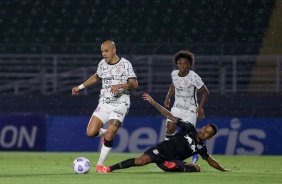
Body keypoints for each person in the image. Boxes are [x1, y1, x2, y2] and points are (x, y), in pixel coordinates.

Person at [97, 93, 231, 173]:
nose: (204, 132)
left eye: (207, 133)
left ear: (210, 137)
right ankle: (109, 168)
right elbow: (169, 115)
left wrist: (223, 170)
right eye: (205, 129)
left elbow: (211, 161)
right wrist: (154, 102)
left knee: (197, 168)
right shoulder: (189, 128)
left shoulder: (202, 148)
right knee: (140, 161)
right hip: (161, 150)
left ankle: (171, 165)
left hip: (172, 161)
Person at [72, 40, 138, 172]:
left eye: (106, 51)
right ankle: (106, 134)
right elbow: (96, 77)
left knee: (111, 132)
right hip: (104, 103)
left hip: (121, 103)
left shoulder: (125, 64)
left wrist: (120, 85)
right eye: (102, 51)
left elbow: (135, 84)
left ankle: (100, 165)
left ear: (114, 50)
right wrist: (80, 87)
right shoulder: (102, 64)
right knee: (90, 133)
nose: (104, 54)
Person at [164, 50, 209, 163]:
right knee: (170, 127)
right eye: (180, 63)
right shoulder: (174, 74)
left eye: (185, 63)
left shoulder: (193, 77)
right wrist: (168, 97)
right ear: (177, 64)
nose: (182, 65)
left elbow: (205, 91)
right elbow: (174, 85)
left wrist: (200, 107)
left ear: (189, 65)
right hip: (177, 107)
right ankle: (166, 150)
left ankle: (195, 153)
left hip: (190, 109)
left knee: (188, 135)